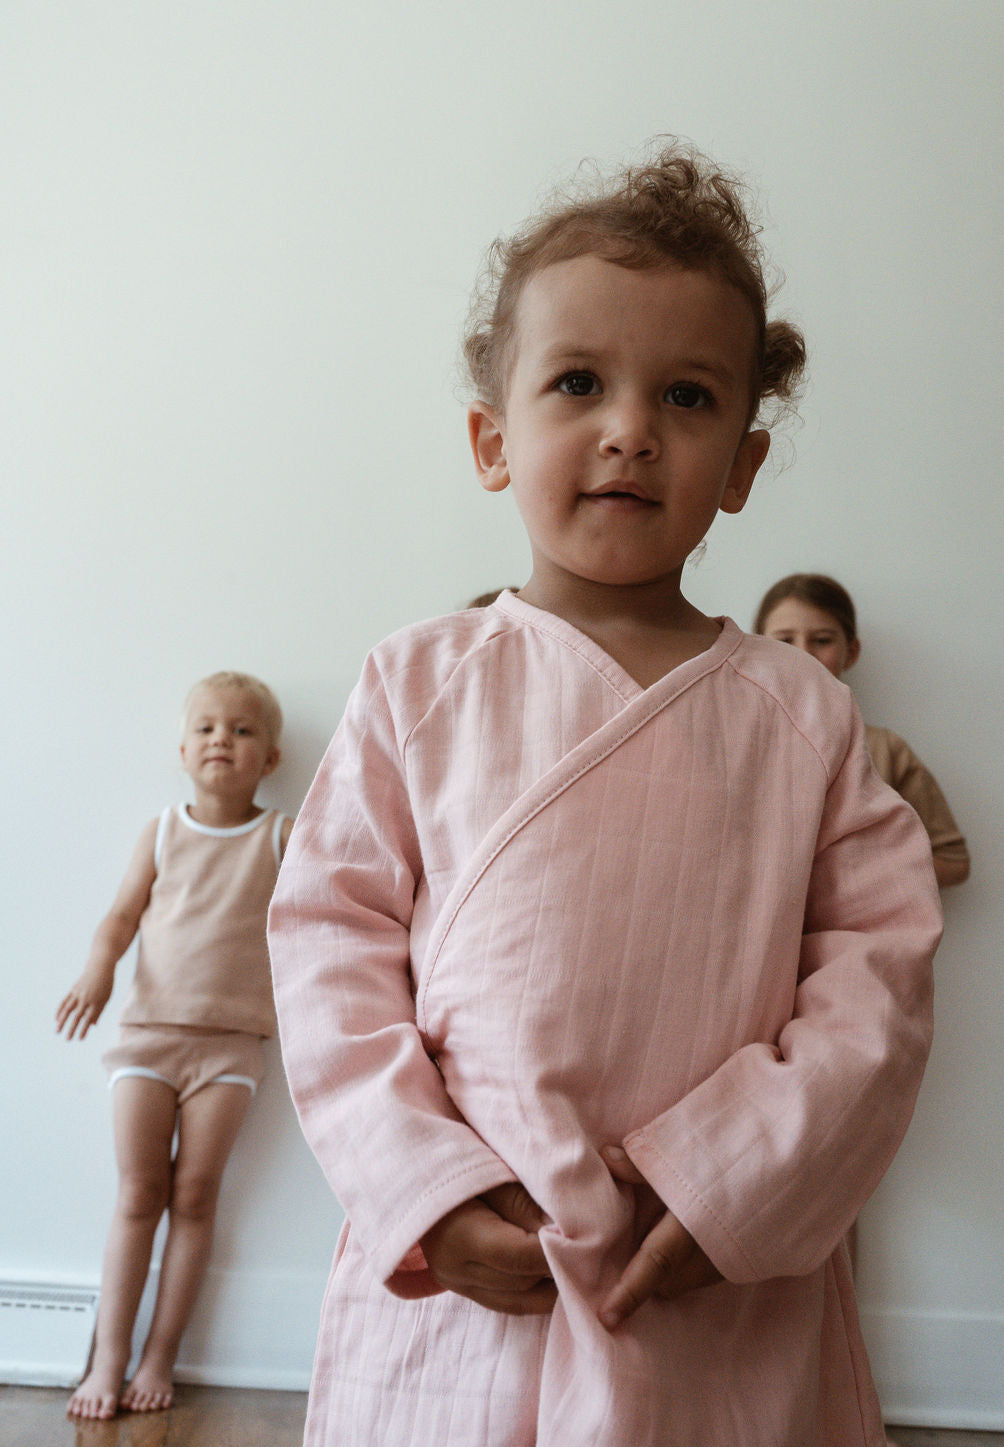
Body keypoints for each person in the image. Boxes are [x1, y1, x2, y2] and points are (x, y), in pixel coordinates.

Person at [268, 144, 943, 1447]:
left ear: (742, 466)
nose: (630, 426)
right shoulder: (416, 683)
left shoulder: (801, 713)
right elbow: (327, 947)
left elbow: (882, 974)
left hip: (699, 1260)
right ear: (492, 436)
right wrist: (427, 1185)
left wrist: (735, 1181)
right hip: (477, 1257)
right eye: (578, 381)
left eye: (687, 395)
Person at [56, 671, 292, 1421]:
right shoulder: (161, 830)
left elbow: (317, 925)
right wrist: (98, 972)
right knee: (137, 1194)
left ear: (271, 758)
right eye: (207, 727)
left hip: (230, 1049)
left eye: (243, 729)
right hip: (148, 1040)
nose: (223, 737)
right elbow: (120, 917)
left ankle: (161, 1357)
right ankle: (109, 1357)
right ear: (184, 749)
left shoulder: (283, 835)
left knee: (195, 1195)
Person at [755, 573, 970, 888]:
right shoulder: (730, 742)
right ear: (756, 649)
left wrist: (851, 873)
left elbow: (953, 863)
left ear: (851, 652)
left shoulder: (886, 750)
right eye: (785, 640)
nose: (803, 654)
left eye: (823, 640)